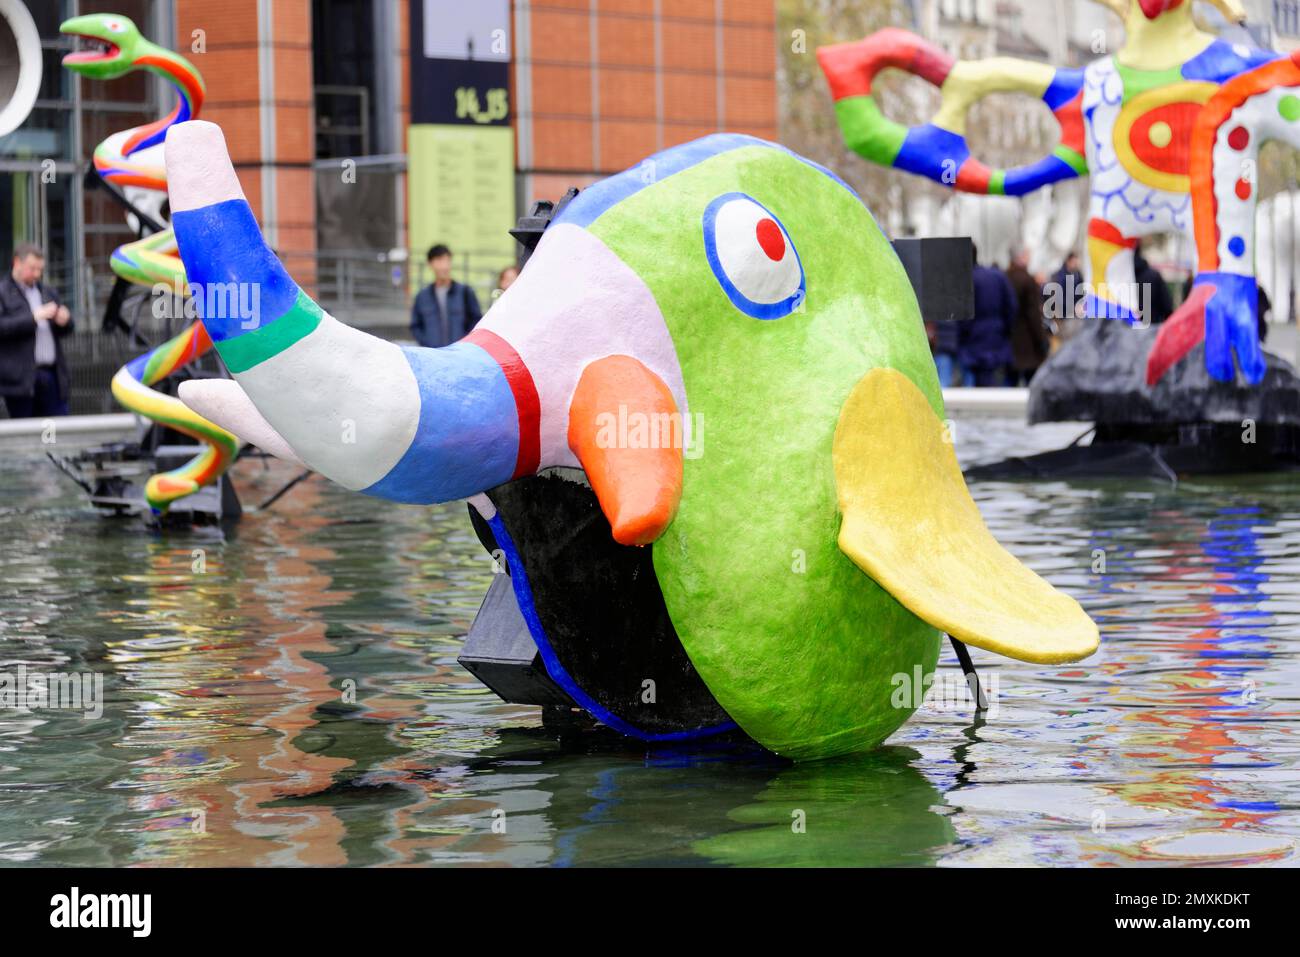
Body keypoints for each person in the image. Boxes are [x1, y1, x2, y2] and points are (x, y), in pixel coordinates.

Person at [0, 243, 74, 418]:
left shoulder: (48, 291)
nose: (37, 274)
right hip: (21, 381)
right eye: (32, 269)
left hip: (52, 376)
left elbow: (68, 329)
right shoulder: (3, 292)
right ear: (17, 262)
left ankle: (50, 447)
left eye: (40, 269)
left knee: (54, 433)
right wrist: (33, 318)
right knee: (27, 436)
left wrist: (65, 320)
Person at [958, 246, 1015, 387]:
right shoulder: (998, 276)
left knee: (981, 384)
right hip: (997, 339)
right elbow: (1012, 306)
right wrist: (1005, 328)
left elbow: (963, 316)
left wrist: (965, 332)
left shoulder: (967, 280)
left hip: (975, 342)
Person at [410, 244, 483, 347]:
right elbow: (416, 326)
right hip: (433, 356)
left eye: (447, 261)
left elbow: (476, 321)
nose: (444, 266)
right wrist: (427, 344)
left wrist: (465, 343)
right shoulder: (422, 297)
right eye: (439, 261)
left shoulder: (465, 292)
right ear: (430, 264)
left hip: (459, 354)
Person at [1006, 249, 1051, 386]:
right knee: (1031, 385)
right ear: (1021, 258)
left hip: (1008, 342)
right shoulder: (1027, 280)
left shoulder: (1004, 277)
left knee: (1009, 384)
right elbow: (1034, 315)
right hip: (1028, 344)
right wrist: (1043, 340)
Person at [1132, 241, 1172, 326]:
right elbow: (1167, 309)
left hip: (1125, 336)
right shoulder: (1153, 276)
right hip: (1151, 333)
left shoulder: (1115, 279)